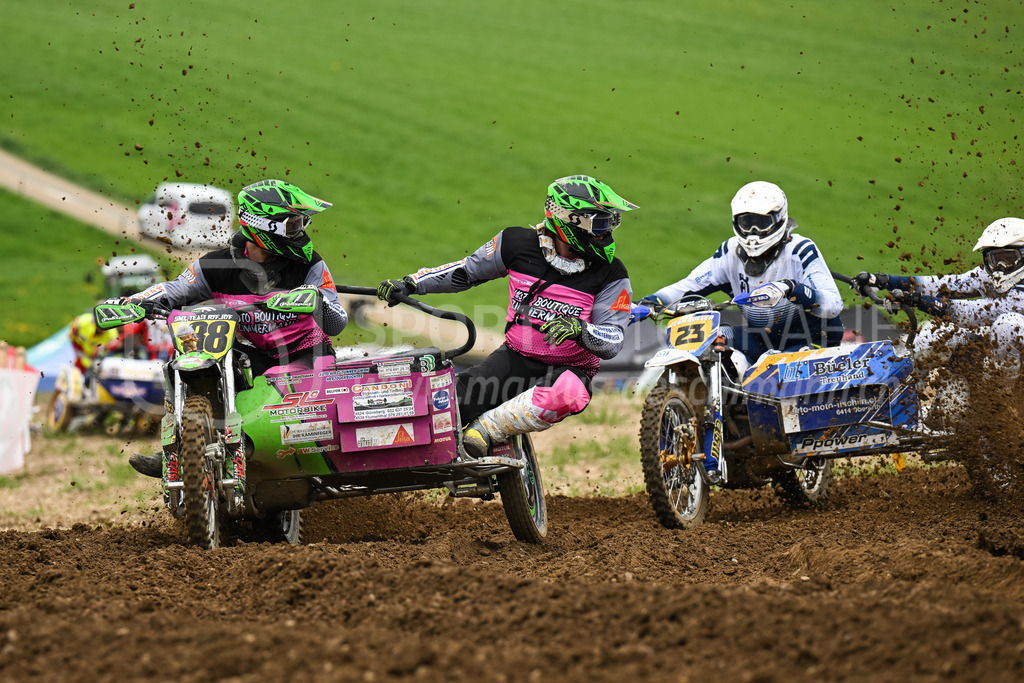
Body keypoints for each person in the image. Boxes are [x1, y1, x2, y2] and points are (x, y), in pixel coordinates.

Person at [377, 175, 637, 458]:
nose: (607, 233)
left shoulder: (613, 274)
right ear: (569, 220)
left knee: (567, 394)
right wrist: (413, 283)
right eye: (600, 224)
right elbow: (466, 272)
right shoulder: (515, 243)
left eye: (611, 223)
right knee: (445, 405)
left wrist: (580, 329)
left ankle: (486, 429)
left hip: (572, 370)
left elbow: (613, 341)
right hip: (514, 360)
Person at [123, 179, 348, 477]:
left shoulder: (309, 266)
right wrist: (132, 302)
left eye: (300, 223)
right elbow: (175, 290)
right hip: (256, 352)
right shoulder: (216, 266)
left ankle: (266, 447)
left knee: (277, 388)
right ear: (264, 227)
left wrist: (316, 300)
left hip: (306, 353)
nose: (300, 232)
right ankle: (180, 451)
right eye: (292, 225)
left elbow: (338, 322)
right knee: (197, 364)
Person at [638, 181, 844, 366]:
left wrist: (792, 288)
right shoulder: (729, 252)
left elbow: (833, 304)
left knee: (771, 365)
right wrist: (651, 301)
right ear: (736, 223)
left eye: (762, 223)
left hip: (813, 338)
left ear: (779, 219)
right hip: (762, 339)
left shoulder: (800, 250)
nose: (753, 233)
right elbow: (689, 285)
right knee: (712, 337)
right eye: (746, 223)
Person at [853, 216, 1024, 427]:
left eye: (1007, 258)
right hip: (995, 355)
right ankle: (900, 410)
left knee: (1008, 323)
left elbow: (974, 313)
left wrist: (918, 301)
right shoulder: (988, 274)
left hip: (1014, 365)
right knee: (930, 335)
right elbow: (945, 284)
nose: (998, 267)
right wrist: (882, 280)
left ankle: (1000, 404)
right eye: (992, 259)